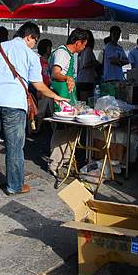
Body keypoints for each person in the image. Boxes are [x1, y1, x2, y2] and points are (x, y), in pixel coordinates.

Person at [0, 21, 68, 194]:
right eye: (34, 41)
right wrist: (56, 96)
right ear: (30, 37)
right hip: (14, 105)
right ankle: (14, 185)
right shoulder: (31, 56)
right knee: (14, 147)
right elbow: (38, 85)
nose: (34, 44)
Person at [49, 28, 89, 177]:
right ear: (78, 43)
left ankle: (66, 161)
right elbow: (56, 73)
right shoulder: (62, 53)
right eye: (84, 44)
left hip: (68, 96)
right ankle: (54, 164)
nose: (84, 47)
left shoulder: (70, 55)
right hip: (60, 97)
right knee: (61, 131)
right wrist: (67, 78)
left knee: (71, 130)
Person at [76, 30, 101, 101]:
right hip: (86, 80)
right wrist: (95, 63)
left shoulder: (82, 50)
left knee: (84, 102)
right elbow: (85, 64)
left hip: (82, 79)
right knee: (86, 103)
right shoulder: (87, 50)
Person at [35, 39, 54, 131]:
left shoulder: (49, 62)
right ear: (46, 49)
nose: (51, 50)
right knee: (40, 111)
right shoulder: (39, 62)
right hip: (42, 88)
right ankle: (37, 129)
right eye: (50, 47)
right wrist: (38, 90)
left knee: (50, 110)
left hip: (49, 88)